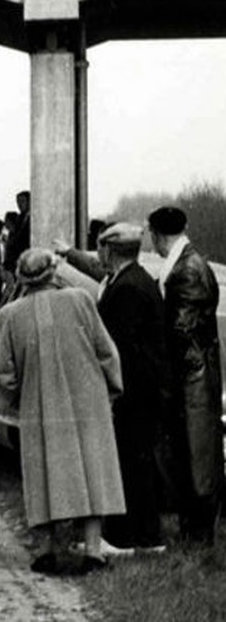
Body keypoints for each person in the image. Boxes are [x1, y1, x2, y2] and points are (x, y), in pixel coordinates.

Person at [0, 248, 127, 575]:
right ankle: (93, 551)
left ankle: (46, 550)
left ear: (23, 278)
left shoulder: (10, 315)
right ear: (53, 273)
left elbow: (3, 373)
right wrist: (111, 389)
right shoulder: (81, 300)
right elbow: (107, 352)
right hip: (88, 402)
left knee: (43, 474)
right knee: (93, 471)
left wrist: (18, 397)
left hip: (39, 407)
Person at [82, 224, 170, 553]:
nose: (99, 254)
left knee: (130, 465)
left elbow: (121, 350)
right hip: (144, 392)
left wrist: (113, 393)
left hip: (133, 394)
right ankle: (140, 537)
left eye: (101, 249)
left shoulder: (127, 288)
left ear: (109, 250)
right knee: (135, 464)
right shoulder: (136, 279)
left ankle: (130, 538)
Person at [147, 205, 223, 546]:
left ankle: (199, 534)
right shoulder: (188, 263)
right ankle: (194, 531)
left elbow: (181, 330)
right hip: (195, 372)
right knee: (193, 454)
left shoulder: (186, 270)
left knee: (197, 455)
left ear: (156, 235)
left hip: (192, 376)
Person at [3, 190, 31, 278]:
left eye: (22, 201)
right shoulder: (19, 218)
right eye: (18, 202)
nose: (19, 205)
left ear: (30, 202)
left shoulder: (33, 218)